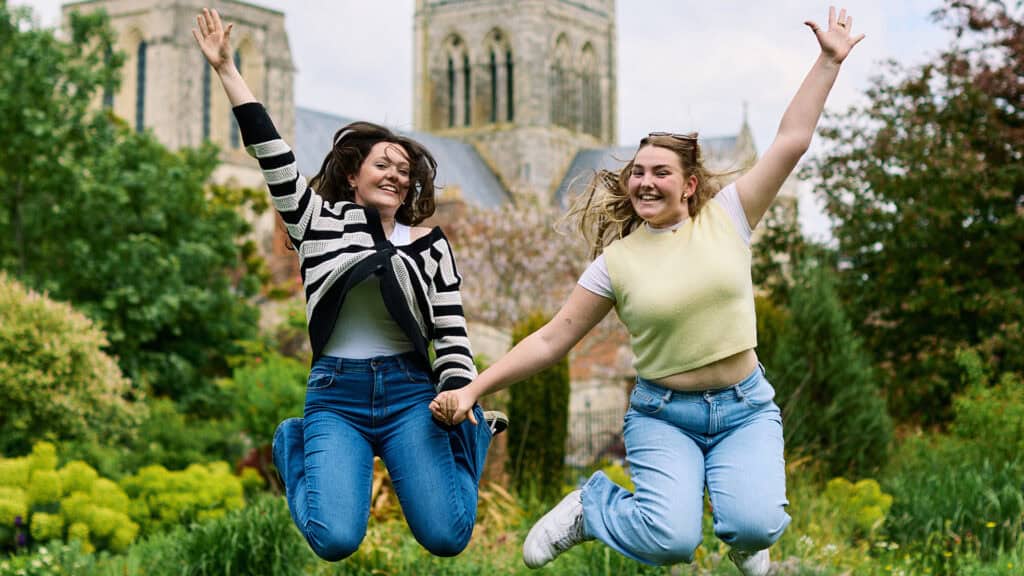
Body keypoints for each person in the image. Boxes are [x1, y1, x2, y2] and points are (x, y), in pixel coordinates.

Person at [430, 7, 863, 575]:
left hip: (745, 409)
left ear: (688, 184)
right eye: (637, 171)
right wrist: (473, 390)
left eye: (660, 171)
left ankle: (746, 532)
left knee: (755, 523)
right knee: (671, 541)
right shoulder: (618, 261)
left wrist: (828, 61)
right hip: (663, 414)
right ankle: (591, 507)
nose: (645, 180)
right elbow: (552, 339)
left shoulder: (729, 216)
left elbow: (792, 140)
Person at [192, 8, 507, 561]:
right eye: (383, 164)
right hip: (337, 395)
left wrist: (459, 392)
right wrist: (227, 70)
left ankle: (472, 433)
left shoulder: (429, 243)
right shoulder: (314, 220)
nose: (395, 175)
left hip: (412, 394)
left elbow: (452, 333)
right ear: (355, 172)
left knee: (447, 536)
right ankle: (298, 443)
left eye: (405, 172)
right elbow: (272, 153)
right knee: (336, 540)